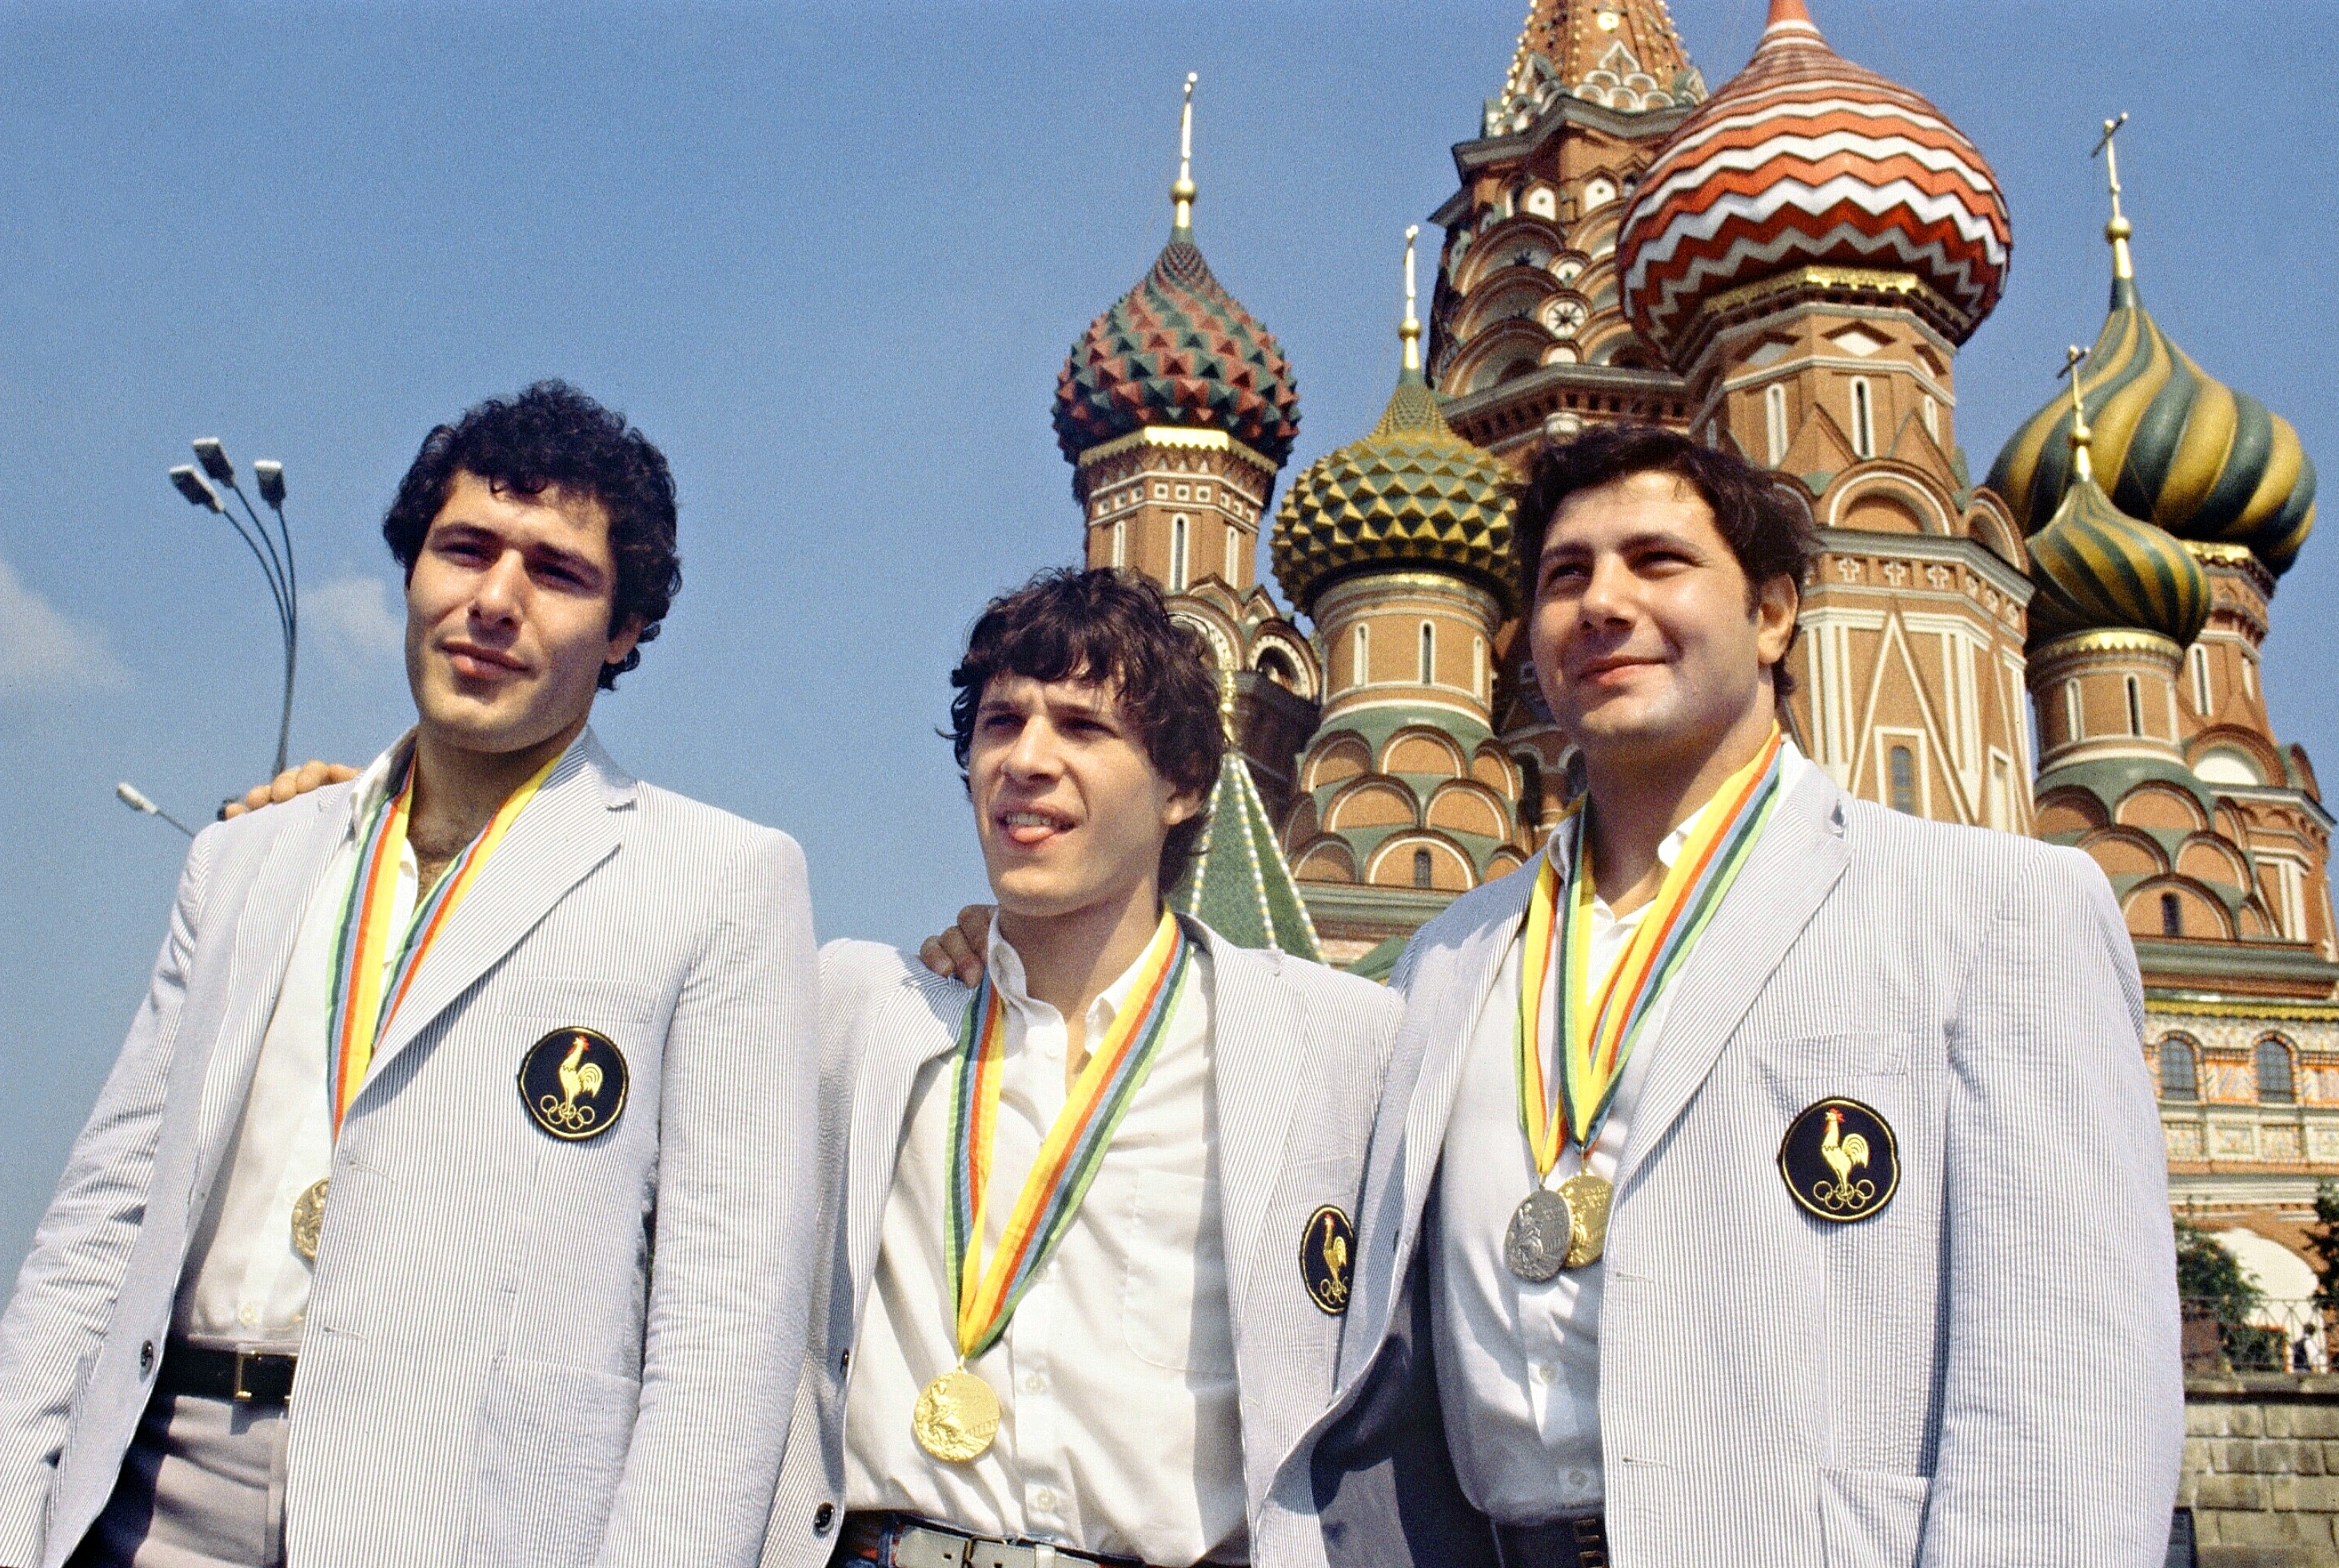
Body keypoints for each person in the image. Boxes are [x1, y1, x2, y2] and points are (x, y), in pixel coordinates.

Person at [924, 424, 2186, 1566]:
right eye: (1565, 576)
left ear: (1774, 613)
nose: (1605, 603)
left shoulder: (1988, 909)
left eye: (1657, 562)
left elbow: (2067, 1387)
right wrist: (1029, 949)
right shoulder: (1450, 963)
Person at [0, 382, 820, 1568]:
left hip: (463, 1515)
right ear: (412, 569)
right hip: (152, 1493)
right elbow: (101, 1221)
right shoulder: (246, 860)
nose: (493, 600)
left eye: (555, 571)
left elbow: (727, 1329)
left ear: (627, 626)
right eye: (466, 549)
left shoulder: (719, 881)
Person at [762, 569, 1401, 1568]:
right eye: (1002, 722)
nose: (1027, 759)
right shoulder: (860, 1010)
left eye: (1082, 727)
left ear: (1184, 784)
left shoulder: (1329, 1041)